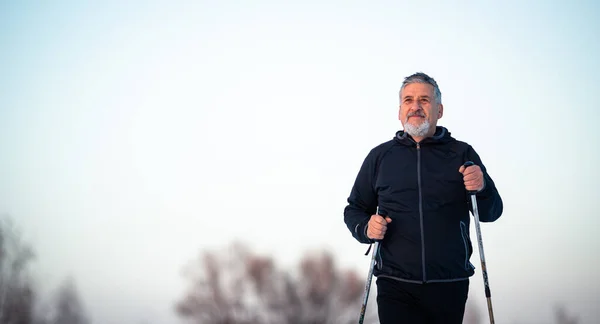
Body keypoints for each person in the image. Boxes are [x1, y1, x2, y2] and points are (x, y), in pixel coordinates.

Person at [343, 72, 503, 323]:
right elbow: (354, 209)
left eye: (424, 100)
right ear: (399, 111)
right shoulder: (380, 157)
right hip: (395, 282)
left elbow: (492, 211)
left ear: (439, 110)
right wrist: (366, 227)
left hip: (449, 282)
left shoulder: (462, 154)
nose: (415, 106)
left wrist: (481, 187)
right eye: (408, 100)